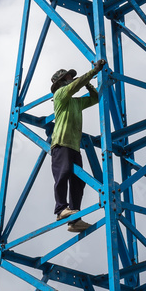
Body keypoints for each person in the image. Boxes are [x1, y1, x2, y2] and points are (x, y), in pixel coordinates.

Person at [50, 58, 105, 233]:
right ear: (61, 82)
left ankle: (75, 219)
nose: (70, 79)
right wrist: (92, 73)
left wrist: (88, 83)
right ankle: (61, 209)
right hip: (61, 143)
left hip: (73, 146)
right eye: (67, 77)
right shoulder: (59, 95)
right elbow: (74, 87)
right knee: (63, 173)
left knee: (78, 182)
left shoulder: (75, 103)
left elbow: (95, 98)